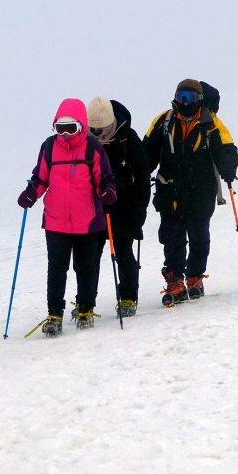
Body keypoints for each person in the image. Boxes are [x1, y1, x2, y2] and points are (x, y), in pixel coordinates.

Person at [18, 98, 118, 336]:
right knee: (56, 268)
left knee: (85, 267)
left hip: (87, 221)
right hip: (56, 221)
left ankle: (85, 308)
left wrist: (107, 191)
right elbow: (40, 178)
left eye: (69, 127)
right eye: (59, 127)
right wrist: (31, 193)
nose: (64, 133)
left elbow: (105, 178)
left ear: (81, 125)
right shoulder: (49, 147)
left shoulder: (93, 147)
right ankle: (54, 313)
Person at [145, 79, 238, 306]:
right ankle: (175, 280)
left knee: (199, 237)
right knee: (172, 237)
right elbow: (147, 149)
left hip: (201, 191)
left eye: (190, 97)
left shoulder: (212, 123)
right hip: (170, 191)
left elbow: (227, 148)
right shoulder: (163, 121)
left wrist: (228, 166)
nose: (185, 102)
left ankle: (195, 276)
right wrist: (140, 170)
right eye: (181, 96)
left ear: (199, 100)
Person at [88, 95, 150, 318]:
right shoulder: (84, 143)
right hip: (93, 212)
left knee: (124, 254)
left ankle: (128, 298)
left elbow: (143, 175)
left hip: (124, 209)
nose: (96, 134)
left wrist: (140, 209)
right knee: (90, 259)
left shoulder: (127, 139)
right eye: (92, 129)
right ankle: (86, 303)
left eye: (100, 129)